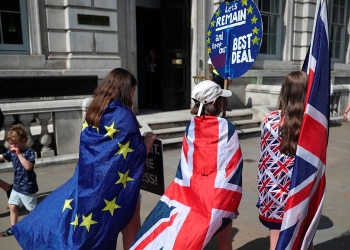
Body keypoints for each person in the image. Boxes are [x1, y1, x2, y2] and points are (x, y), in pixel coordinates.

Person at [11, 68, 157, 250]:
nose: (133, 95)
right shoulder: (123, 115)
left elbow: (96, 151)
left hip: (90, 183)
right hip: (118, 187)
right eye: (133, 90)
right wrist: (149, 140)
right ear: (125, 89)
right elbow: (135, 153)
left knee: (94, 227)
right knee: (131, 231)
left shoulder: (95, 111)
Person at [131, 80, 243, 250]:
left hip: (190, 193)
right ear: (215, 102)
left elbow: (187, 164)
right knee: (224, 238)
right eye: (221, 98)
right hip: (218, 196)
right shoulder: (227, 128)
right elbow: (234, 165)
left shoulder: (191, 126)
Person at [257, 71, 314, 250]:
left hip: (273, 194)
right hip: (300, 192)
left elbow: (264, 160)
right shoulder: (311, 124)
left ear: (285, 92)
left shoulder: (269, 120)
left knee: (276, 242)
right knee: (306, 239)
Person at [0, 125, 37, 237]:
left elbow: (28, 167)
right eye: (11, 144)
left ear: (24, 141)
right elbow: (2, 156)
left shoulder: (28, 152)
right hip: (16, 187)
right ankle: (13, 227)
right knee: (12, 205)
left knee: (33, 211)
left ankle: (38, 227)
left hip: (27, 187)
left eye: (15, 144)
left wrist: (19, 154)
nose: (12, 146)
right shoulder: (12, 152)